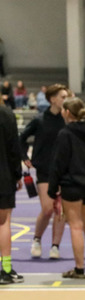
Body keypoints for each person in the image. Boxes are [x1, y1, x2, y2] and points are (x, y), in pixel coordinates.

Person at [48, 97, 85, 279]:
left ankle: (79, 268)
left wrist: (52, 187)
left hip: (72, 184)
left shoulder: (66, 134)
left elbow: (58, 163)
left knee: (76, 226)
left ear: (68, 113)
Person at [19, 83, 68, 259]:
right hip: (45, 170)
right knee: (47, 209)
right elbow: (22, 138)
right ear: (53, 99)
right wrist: (25, 156)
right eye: (63, 97)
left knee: (61, 210)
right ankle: (37, 239)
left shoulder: (66, 120)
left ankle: (55, 246)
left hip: (64, 170)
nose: (65, 100)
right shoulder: (40, 120)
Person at [0, 91, 23, 284]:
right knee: (3, 222)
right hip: (3, 176)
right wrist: (17, 175)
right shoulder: (7, 115)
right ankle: (6, 269)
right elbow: (14, 148)